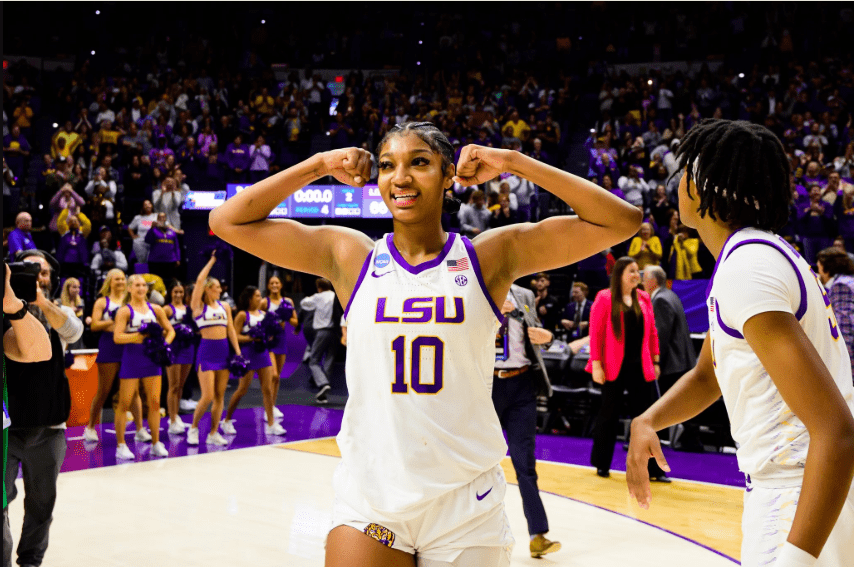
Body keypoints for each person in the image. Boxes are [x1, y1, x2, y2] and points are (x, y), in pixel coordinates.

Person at [209, 121, 641, 566]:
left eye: (419, 163)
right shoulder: (351, 256)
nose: (401, 178)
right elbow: (226, 221)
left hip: (464, 504)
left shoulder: (488, 256)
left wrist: (512, 162)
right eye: (387, 165)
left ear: (449, 174)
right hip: (372, 498)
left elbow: (622, 220)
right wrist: (319, 165)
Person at [626, 119, 854, 567]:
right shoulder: (757, 256)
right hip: (809, 490)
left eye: (685, 171)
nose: (677, 182)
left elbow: (837, 431)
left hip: (799, 494)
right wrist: (650, 419)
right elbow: (708, 374)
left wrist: (796, 559)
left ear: (705, 187)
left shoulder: (747, 268)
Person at [4, 250, 83, 567]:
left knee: (41, 504)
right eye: (29, 270)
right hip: (8, 429)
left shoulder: (59, 311)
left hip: (49, 428)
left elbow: (74, 332)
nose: (38, 276)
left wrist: (39, 301)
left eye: (44, 272)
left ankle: (31, 560)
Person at [585, 257, 669, 481]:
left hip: (640, 367)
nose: (636, 275)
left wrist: (656, 360)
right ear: (620, 274)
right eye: (631, 271)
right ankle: (602, 464)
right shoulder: (604, 297)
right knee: (608, 416)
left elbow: (652, 332)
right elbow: (595, 333)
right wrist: (596, 364)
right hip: (612, 367)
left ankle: (653, 470)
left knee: (645, 420)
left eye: (637, 271)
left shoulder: (643, 297)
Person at [493, 284, 560, 558]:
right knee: (477, 461)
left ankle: (537, 535)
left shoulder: (525, 295)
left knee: (525, 464)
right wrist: (492, 312)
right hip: (486, 386)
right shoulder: (474, 286)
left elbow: (536, 331)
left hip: (522, 384)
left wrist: (549, 337)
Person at [4, 262, 53, 567]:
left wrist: (14, 305)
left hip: (44, 423)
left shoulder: (10, 318)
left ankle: (31, 558)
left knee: (40, 501)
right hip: (17, 426)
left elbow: (39, 351)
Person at [112, 275, 175, 459]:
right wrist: (138, 337)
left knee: (154, 403)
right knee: (124, 403)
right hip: (132, 357)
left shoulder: (156, 309)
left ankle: (156, 443)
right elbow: (117, 336)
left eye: (143, 285)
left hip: (152, 358)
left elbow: (170, 330)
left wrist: (164, 345)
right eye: (137, 285)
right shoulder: (124, 311)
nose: (141, 288)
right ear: (129, 288)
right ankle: (121, 445)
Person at [83, 270, 147, 443]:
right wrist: (116, 321)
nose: (120, 281)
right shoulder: (102, 301)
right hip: (109, 346)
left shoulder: (130, 301)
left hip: (128, 346)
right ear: (109, 282)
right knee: (104, 390)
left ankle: (140, 429)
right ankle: (90, 428)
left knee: (134, 391)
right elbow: (94, 325)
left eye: (122, 279)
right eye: (116, 279)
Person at [188, 252, 242, 446]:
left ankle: (213, 433)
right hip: (207, 352)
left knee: (219, 396)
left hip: (224, 352)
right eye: (217, 287)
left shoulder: (224, 306)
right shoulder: (198, 306)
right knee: (208, 395)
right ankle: (193, 428)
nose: (220, 289)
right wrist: (212, 261)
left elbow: (231, 330)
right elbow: (199, 280)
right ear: (208, 289)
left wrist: (238, 352)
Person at [222, 286, 284, 435]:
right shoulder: (242, 315)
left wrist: (269, 336)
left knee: (267, 389)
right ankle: (227, 420)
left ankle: (271, 424)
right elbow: (235, 336)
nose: (259, 298)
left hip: (263, 353)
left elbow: (270, 333)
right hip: (248, 354)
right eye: (257, 296)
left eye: (259, 295)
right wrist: (251, 338)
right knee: (242, 389)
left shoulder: (264, 314)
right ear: (249, 298)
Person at [641, 266, 696, 393]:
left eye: (644, 279)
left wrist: (656, 363)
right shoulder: (670, 295)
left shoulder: (660, 300)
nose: (642, 283)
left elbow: (661, 336)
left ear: (653, 280)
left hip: (672, 365)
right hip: (681, 362)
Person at [262, 275, 299, 420]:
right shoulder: (265, 302)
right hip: (269, 340)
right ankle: (267, 408)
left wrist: (286, 316)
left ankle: (271, 406)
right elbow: (257, 319)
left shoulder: (288, 301)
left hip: (281, 339)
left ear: (281, 285)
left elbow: (295, 322)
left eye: (277, 282)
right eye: (271, 283)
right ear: (268, 286)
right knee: (273, 375)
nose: (274, 285)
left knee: (277, 378)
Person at [815, 248, 854, 385]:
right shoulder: (849, 280)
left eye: (819, 268)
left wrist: (845, 371)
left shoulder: (841, 286)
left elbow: (846, 331)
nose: (818, 273)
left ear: (827, 268)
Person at [163, 280, 195, 435]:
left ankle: (176, 415)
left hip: (188, 348)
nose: (178, 295)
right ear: (170, 293)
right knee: (173, 385)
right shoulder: (167, 309)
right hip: (174, 348)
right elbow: (160, 329)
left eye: (181, 292)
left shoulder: (189, 309)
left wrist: (189, 331)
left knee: (181, 385)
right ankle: (172, 418)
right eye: (175, 292)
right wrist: (176, 330)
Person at [299, 278, 337, 404]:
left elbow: (304, 303)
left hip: (321, 331)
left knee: (313, 360)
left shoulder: (318, 297)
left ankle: (323, 383)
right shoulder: (334, 296)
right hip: (335, 331)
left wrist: (315, 298)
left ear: (319, 288)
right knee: (329, 359)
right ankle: (323, 391)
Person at [144, 212, 182, 283]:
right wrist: (151, 228)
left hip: (170, 261)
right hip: (155, 261)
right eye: (160, 218)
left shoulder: (172, 231)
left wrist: (178, 259)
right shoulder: (153, 230)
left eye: (163, 217)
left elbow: (176, 247)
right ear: (157, 219)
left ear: (166, 219)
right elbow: (147, 240)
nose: (162, 219)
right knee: (155, 281)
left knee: (169, 281)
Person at [55, 277, 87, 350]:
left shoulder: (81, 302)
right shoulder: (59, 302)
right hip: (64, 338)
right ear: (67, 288)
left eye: (78, 287)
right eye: (74, 287)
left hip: (78, 339)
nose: (77, 290)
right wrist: (70, 311)